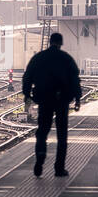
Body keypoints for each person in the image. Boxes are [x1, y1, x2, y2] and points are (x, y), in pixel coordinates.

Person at [22, 32, 81, 177]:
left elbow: (27, 76)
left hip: (44, 99)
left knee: (42, 130)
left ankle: (40, 161)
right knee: (62, 134)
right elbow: (75, 79)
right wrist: (78, 98)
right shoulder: (66, 58)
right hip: (62, 100)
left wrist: (27, 94)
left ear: (50, 42)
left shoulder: (39, 58)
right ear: (60, 43)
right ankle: (59, 168)